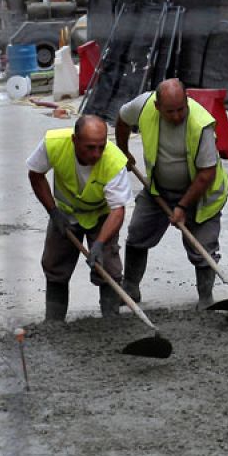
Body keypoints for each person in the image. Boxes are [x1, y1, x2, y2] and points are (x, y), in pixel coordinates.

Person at [114, 78, 228, 308]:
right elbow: (122, 118)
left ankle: (206, 298)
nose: (177, 116)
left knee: (203, 246)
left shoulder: (201, 124)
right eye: (170, 111)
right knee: (138, 233)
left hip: (201, 193)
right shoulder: (144, 105)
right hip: (159, 189)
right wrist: (123, 150)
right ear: (157, 107)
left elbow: (206, 173)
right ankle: (130, 288)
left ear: (187, 101)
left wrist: (182, 207)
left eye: (181, 109)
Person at [27, 115, 135, 321]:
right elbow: (35, 174)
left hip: (102, 215)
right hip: (66, 212)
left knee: (109, 268)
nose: (97, 154)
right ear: (74, 140)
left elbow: (117, 210)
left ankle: (111, 322)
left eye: (101, 147)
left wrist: (100, 244)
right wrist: (53, 211)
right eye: (90, 147)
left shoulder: (113, 161)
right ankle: (54, 322)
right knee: (55, 265)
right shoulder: (54, 144)